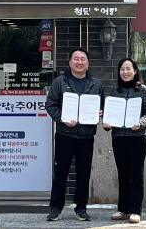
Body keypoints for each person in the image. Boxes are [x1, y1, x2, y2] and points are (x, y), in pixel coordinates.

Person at [45, 48, 104, 222]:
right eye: (76, 59)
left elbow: (102, 105)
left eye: (83, 59)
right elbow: (50, 105)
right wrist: (62, 119)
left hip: (86, 136)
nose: (79, 62)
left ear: (88, 63)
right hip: (65, 134)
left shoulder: (96, 83)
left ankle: (81, 208)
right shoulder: (60, 82)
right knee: (60, 173)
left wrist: (100, 113)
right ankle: (56, 208)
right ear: (70, 62)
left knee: (83, 173)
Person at [103, 57, 146, 224]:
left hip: (137, 137)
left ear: (135, 71)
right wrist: (106, 124)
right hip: (119, 137)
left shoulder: (143, 90)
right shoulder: (115, 91)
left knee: (136, 175)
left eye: (128, 69)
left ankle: (135, 211)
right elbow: (109, 116)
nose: (125, 72)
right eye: (122, 69)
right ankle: (123, 209)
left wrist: (140, 123)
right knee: (123, 174)